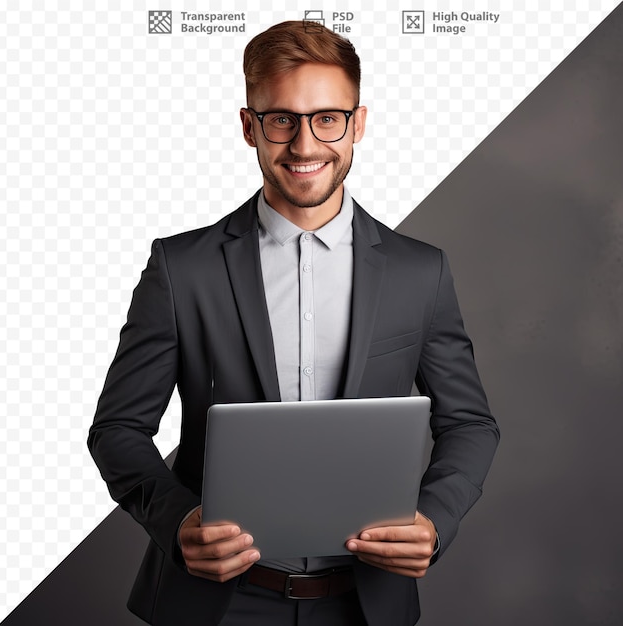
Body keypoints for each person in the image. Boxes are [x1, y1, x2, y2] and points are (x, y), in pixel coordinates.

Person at [88, 20, 499, 626]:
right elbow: (118, 428)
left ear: (358, 123)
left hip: (366, 603)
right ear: (249, 126)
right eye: (281, 119)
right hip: (215, 605)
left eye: (327, 118)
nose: (305, 146)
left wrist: (434, 518)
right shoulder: (180, 269)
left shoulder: (422, 272)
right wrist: (179, 522)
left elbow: (470, 422)